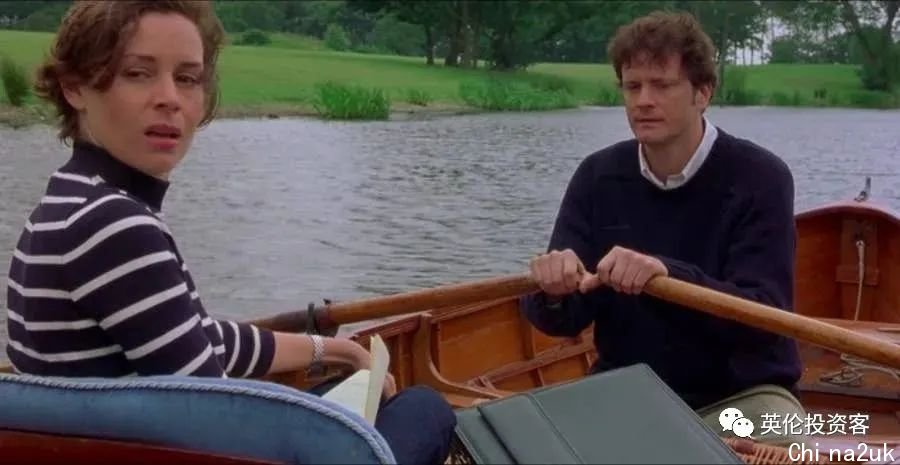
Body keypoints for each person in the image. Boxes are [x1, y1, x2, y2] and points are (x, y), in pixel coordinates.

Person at [4, 2, 454, 463]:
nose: (169, 99)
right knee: (424, 409)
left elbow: (196, 338)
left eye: (187, 78)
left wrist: (331, 349)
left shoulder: (65, 203)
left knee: (353, 400)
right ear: (74, 87)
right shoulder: (116, 226)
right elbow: (213, 417)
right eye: (138, 74)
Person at [520, 11, 805, 445]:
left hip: (739, 397)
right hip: (627, 392)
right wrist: (553, 291)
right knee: (512, 441)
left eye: (662, 85)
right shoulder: (597, 176)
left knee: (785, 442)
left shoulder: (761, 177)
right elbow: (563, 319)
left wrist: (665, 274)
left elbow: (763, 320)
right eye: (632, 86)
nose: (643, 101)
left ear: (703, 93)